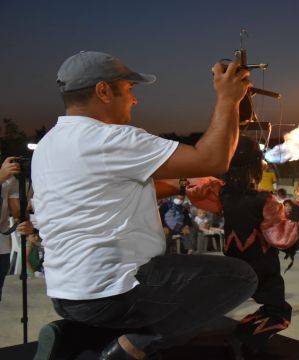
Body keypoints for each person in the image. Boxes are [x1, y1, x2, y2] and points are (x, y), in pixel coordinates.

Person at [32, 51, 258, 359]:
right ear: (103, 90)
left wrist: (183, 186)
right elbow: (213, 159)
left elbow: (107, 193)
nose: (134, 100)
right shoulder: (110, 138)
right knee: (238, 278)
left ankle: (73, 336)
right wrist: (228, 99)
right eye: (129, 89)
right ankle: (131, 349)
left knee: (159, 290)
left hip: (67, 293)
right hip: (114, 292)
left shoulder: (49, 144)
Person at [218, 136, 299, 353]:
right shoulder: (264, 200)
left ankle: (242, 338)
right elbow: (282, 239)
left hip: (234, 260)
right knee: (279, 313)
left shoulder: (223, 193)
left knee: (271, 308)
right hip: (261, 263)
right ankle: (245, 342)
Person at [0, 157, 35, 302]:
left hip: (2, 246)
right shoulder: (3, 176)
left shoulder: (10, 179)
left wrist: (25, 221)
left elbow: (17, 212)